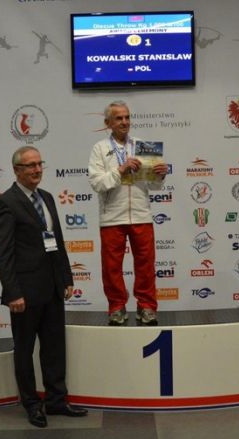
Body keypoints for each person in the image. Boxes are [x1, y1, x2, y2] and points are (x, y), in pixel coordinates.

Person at [0, 146, 87, 428]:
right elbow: (3, 253)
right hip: (25, 293)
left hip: (53, 288)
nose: (36, 170)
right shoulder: (5, 203)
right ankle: (32, 405)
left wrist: (66, 277)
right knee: (24, 351)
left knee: (54, 348)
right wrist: (13, 293)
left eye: (39, 164)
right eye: (30, 165)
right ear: (17, 170)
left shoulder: (46, 197)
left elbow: (56, 240)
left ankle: (56, 401)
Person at [88, 101, 168, 326]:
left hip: (141, 215)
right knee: (112, 268)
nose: (124, 122)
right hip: (112, 217)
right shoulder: (100, 148)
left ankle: (147, 307)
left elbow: (154, 185)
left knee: (146, 265)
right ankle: (116, 307)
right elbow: (97, 183)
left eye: (127, 117)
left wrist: (160, 174)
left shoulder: (143, 146)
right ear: (108, 123)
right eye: (119, 118)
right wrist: (120, 169)